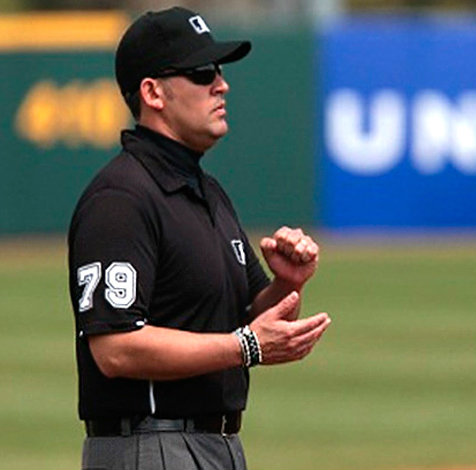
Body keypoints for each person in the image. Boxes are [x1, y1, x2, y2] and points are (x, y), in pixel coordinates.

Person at [67, 6, 331, 470]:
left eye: (220, 71)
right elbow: (114, 348)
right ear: (153, 92)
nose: (221, 84)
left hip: (215, 445)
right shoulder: (121, 198)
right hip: (147, 446)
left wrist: (287, 284)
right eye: (202, 72)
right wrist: (245, 347)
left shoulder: (206, 191)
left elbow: (252, 317)